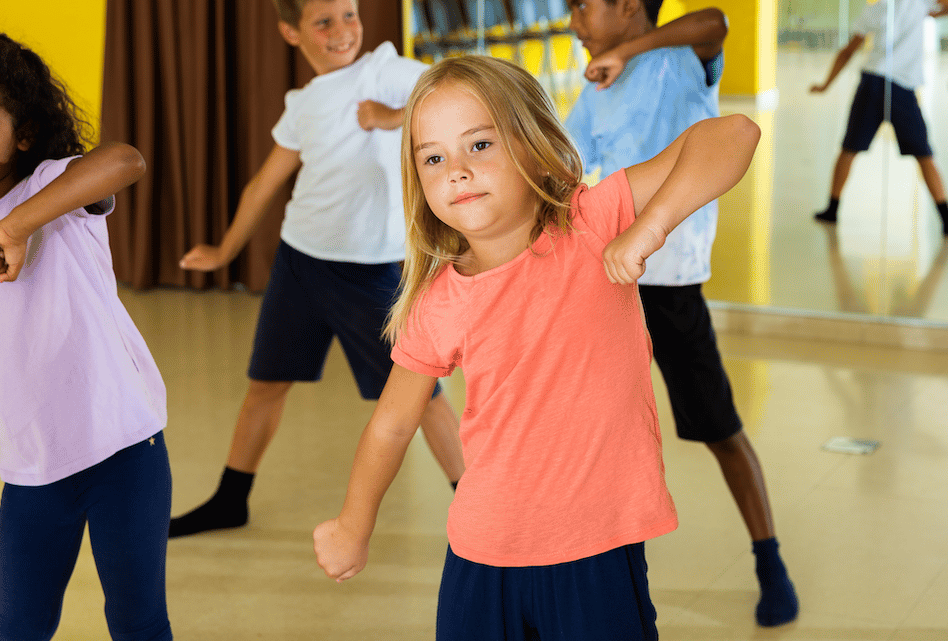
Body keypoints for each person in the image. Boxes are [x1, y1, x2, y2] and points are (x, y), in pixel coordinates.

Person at [311, 55, 761, 640]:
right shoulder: (437, 301)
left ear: (532, 145)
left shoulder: (591, 223)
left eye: (479, 145)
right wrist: (354, 522)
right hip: (480, 556)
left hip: (595, 552)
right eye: (433, 157)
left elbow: (734, 134)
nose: (457, 172)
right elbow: (392, 426)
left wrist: (651, 227)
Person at [0, 9, 172, 639]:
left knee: (137, 621)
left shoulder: (56, 192)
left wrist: (16, 227)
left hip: (124, 452)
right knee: (18, 625)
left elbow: (124, 160)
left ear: (22, 134)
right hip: (33, 473)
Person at [168, 0, 465, 538]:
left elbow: (461, 94)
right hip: (301, 261)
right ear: (291, 32)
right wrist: (225, 251)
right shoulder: (301, 105)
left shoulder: (386, 70)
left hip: (374, 271)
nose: (342, 31)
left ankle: (480, 503)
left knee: (422, 394)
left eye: (349, 15)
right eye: (323, 22)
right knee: (267, 384)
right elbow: (263, 185)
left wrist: (392, 117)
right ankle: (232, 499)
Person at [560, 0, 798, 627]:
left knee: (718, 427)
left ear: (628, 6)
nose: (574, 20)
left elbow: (715, 19)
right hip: (610, 282)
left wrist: (625, 51)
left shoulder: (679, 62)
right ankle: (598, 563)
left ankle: (768, 556)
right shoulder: (598, 86)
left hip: (672, 284)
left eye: (582, 4)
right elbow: (566, 158)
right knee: (598, 431)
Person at [811, 0, 948, 235]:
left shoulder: (877, 7)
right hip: (899, 88)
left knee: (850, 147)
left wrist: (825, 84)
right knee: (923, 153)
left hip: (871, 82)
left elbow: (847, 51)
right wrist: (931, 9)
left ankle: (832, 210)